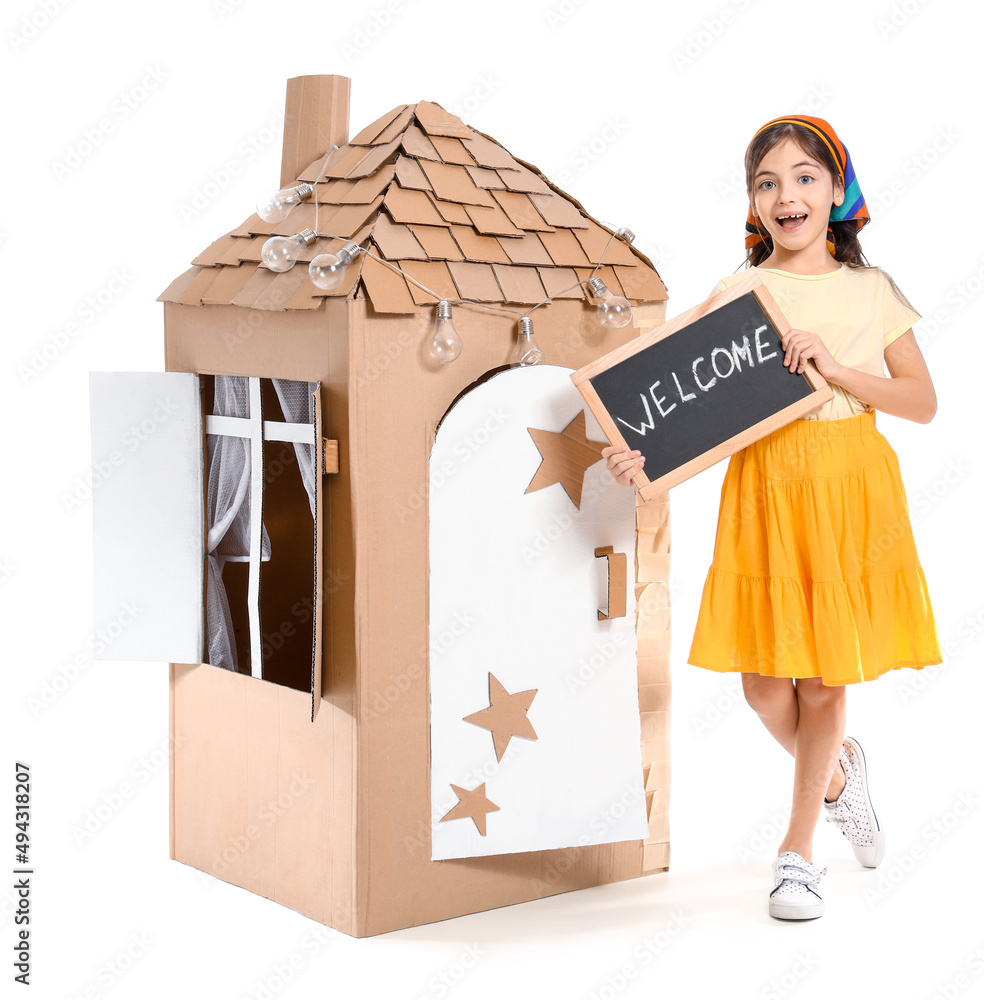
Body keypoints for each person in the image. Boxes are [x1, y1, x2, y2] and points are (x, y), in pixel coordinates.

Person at [602, 114, 941, 920]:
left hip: (848, 485)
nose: (786, 195)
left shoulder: (872, 290)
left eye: (803, 178)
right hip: (765, 491)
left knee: (823, 681)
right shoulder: (737, 295)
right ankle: (838, 780)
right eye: (767, 182)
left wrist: (837, 365)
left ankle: (797, 854)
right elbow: (686, 406)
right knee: (763, 688)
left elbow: (923, 403)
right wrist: (639, 456)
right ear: (752, 203)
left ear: (836, 191)